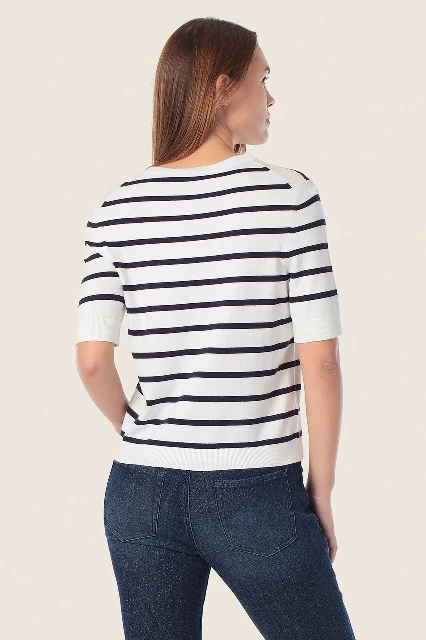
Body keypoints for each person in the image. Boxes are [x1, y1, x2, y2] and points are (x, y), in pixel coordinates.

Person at [76, 17, 357, 640]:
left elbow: (92, 360)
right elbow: (322, 362)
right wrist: (321, 492)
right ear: (224, 88)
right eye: (264, 80)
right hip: (256, 488)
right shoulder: (289, 196)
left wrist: (143, 433)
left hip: (139, 492)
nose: (271, 97)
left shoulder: (115, 206)